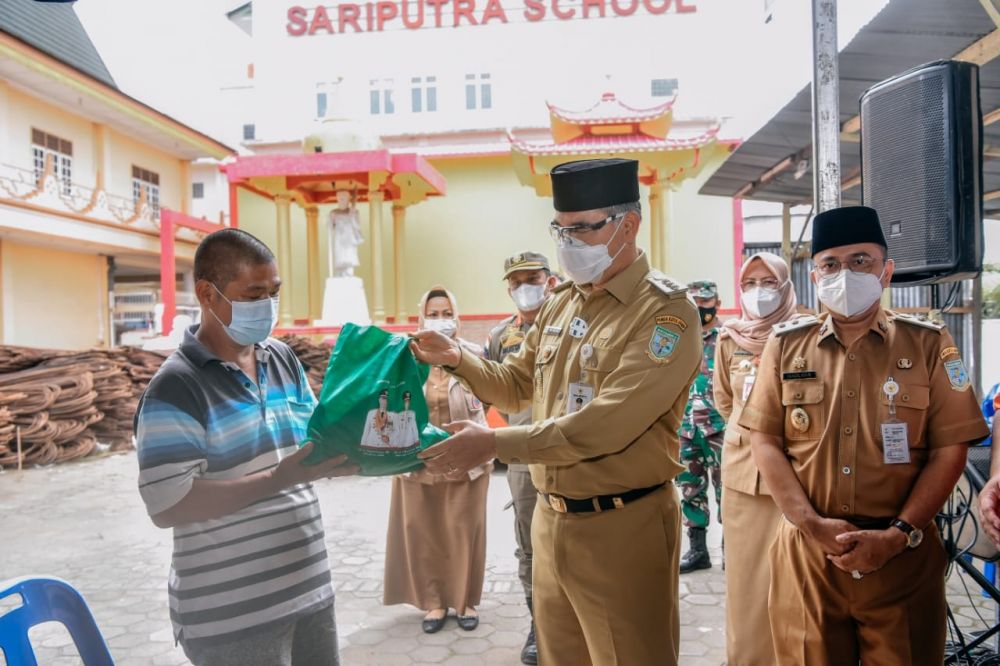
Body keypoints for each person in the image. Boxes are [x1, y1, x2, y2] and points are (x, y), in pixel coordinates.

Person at [411, 158, 701, 666]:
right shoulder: (562, 301)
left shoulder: (665, 312)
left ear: (626, 225)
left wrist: (494, 444)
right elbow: (516, 385)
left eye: (580, 230)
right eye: (559, 230)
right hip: (551, 520)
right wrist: (456, 357)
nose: (566, 244)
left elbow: (607, 424)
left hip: (622, 525)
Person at [739, 205, 989, 665]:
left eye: (861, 261)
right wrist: (811, 524)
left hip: (903, 559)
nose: (845, 273)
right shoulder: (784, 344)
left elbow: (950, 449)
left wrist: (897, 535)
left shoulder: (930, 344)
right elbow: (765, 441)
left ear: (886, 270)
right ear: (814, 276)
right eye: (830, 264)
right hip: (809, 558)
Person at [134, 228, 359, 666]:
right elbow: (168, 505)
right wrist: (279, 478)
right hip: (232, 620)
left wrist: (377, 453)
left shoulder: (280, 358)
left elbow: (310, 444)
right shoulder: (176, 387)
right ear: (207, 294)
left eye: (274, 293)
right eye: (254, 294)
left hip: (309, 590)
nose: (268, 307)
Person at [383, 286, 491, 634]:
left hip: (466, 458)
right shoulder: (406, 357)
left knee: (464, 530)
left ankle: (465, 601)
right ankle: (434, 602)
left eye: (447, 313)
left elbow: (488, 397)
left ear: (457, 317)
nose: (440, 320)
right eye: (434, 313)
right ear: (421, 316)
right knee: (424, 531)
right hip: (417, 459)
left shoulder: (472, 354)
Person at [714, 252, 799, 665]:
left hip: (799, 479)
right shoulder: (729, 338)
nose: (758, 292)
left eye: (769, 283)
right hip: (743, 480)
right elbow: (724, 400)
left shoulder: (807, 332)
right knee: (747, 588)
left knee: (796, 587)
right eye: (749, 284)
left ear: (785, 288)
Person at [484, 251, 558, 665]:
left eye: (533, 279)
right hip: (522, 458)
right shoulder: (501, 337)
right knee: (529, 547)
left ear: (551, 281)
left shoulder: (573, 328)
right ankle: (538, 626)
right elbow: (491, 391)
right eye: (516, 282)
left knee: (572, 540)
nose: (525, 288)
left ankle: (571, 620)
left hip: (569, 451)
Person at [676, 279, 726, 573]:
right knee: (690, 490)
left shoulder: (730, 338)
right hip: (686, 429)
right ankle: (698, 552)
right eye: (693, 303)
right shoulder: (682, 340)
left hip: (720, 429)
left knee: (728, 494)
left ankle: (732, 553)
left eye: (705, 303)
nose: (699, 309)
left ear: (717, 303)